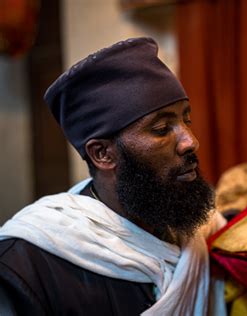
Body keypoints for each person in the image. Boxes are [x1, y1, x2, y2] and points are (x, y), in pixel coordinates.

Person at [0, 37, 226, 315]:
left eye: (186, 120)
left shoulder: (204, 227)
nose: (190, 142)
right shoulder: (26, 269)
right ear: (103, 154)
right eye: (162, 128)